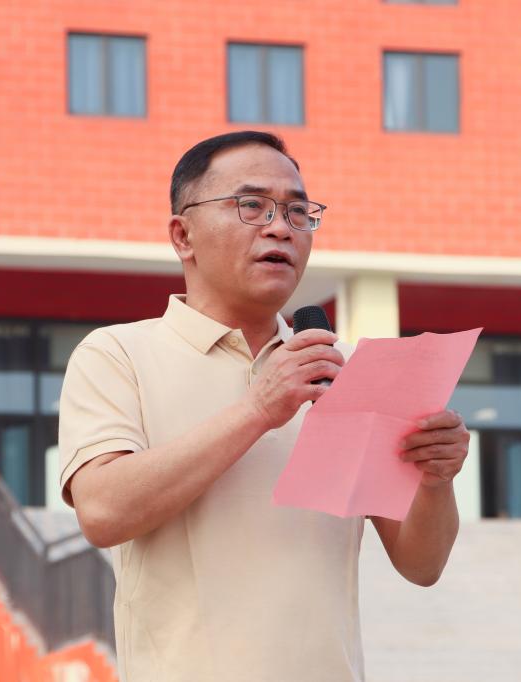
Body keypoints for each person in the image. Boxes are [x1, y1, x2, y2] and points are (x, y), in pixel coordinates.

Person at [58, 131, 470, 682]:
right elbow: (103, 512)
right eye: (251, 206)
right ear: (183, 235)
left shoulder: (345, 368)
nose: (280, 227)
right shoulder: (118, 354)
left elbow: (422, 565)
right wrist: (258, 410)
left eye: (298, 212)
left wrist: (436, 480)